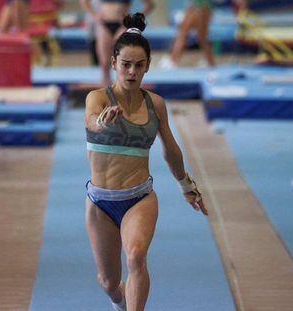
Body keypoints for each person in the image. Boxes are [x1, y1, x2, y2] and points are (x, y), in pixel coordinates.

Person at [84, 13, 208, 311]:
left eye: (139, 66)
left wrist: (186, 185)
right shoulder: (98, 98)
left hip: (140, 197)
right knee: (108, 282)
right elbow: (91, 123)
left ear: (147, 67)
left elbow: (170, 150)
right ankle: (119, 301)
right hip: (100, 202)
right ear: (113, 63)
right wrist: (103, 122)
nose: (131, 72)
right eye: (125, 64)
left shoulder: (156, 104)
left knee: (136, 256)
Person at [80, 0, 155, 86]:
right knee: (104, 64)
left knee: (124, 61)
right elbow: (84, 2)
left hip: (122, 24)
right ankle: (106, 93)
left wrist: (134, 19)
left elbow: (150, 5)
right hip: (104, 24)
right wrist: (95, 15)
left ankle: (124, 91)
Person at [159, 0, 215, 69]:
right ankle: (210, 62)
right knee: (200, 37)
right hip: (201, 6)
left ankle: (173, 61)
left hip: (199, 6)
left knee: (184, 32)